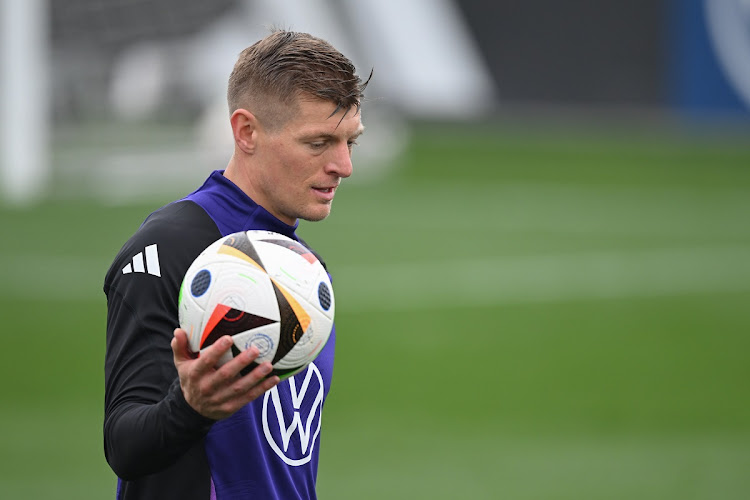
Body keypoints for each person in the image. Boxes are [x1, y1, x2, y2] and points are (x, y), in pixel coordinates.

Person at [103, 30, 369, 499]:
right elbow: (125, 444)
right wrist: (190, 407)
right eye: (319, 142)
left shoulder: (305, 272)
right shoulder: (170, 249)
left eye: (351, 141)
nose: (344, 165)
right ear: (247, 131)